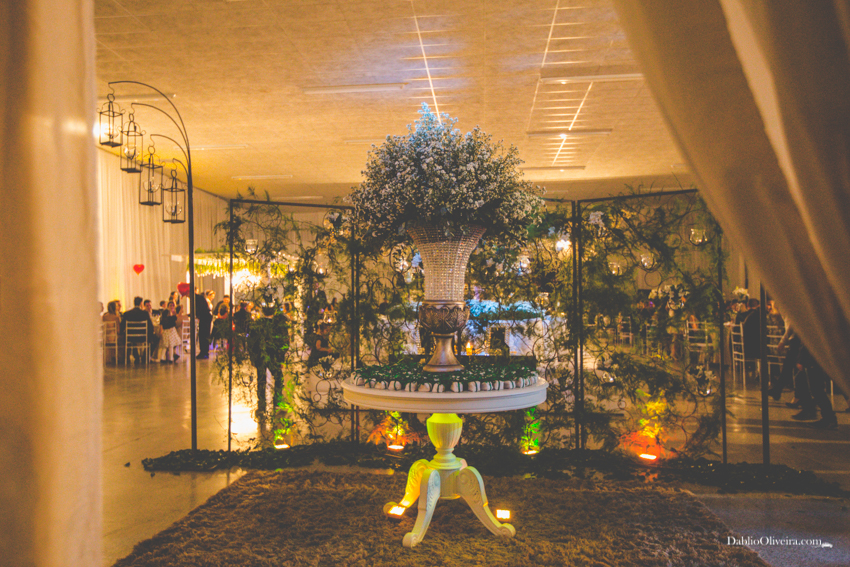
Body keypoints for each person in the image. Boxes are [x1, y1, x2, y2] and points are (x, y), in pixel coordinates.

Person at [247, 306, 290, 418]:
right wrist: (281, 358)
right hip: (274, 356)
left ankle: (262, 406)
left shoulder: (257, 324)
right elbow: (284, 342)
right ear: (274, 311)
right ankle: (277, 402)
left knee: (261, 380)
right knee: (278, 378)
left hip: (260, 357)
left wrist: (253, 357)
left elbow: (251, 342)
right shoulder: (278, 325)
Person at [791, 344, 838, 430]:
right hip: (814, 358)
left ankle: (828, 418)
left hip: (813, 358)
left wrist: (802, 359)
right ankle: (812, 411)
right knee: (805, 382)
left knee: (816, 389)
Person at [120, 296, 154, 365]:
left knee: (131, 341)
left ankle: (136, 356)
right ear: (141, 303)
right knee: (154, 338)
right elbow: (150, 326)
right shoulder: (145, 313)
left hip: (130, 337)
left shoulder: (127, 313)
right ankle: (145, 357)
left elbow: (122, 326)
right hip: (143, 337)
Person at [195, 289, 213, 359]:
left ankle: (204, 352)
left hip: (204, 318)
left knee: (203, 335)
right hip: (205, 317)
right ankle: (204, 352)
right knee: (204, 335)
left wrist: (198, 315)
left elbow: (199, 309)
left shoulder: (198, 299)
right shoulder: (200, 299)